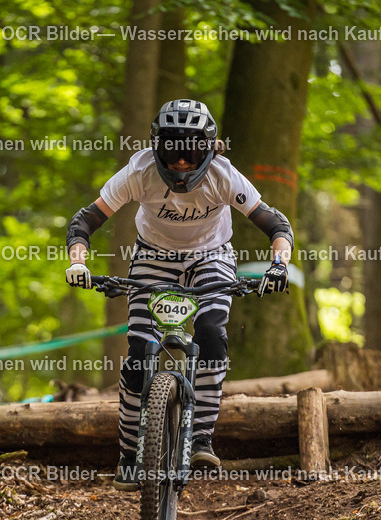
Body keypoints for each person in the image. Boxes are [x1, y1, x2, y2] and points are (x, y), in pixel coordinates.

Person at [64, 99, 293, 491]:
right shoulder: (139, 172)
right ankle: (129, 452)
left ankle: (201, 437)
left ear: (209, 148)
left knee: (211, 332)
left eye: (192, 152)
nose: (183, 163)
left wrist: (279, 266)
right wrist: (78, 263)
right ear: (156, 148)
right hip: (153, 257)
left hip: (212, 256)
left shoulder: (224, 176)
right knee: (139, 351)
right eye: (172, 152)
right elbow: (85, 220)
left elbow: (276, 225)